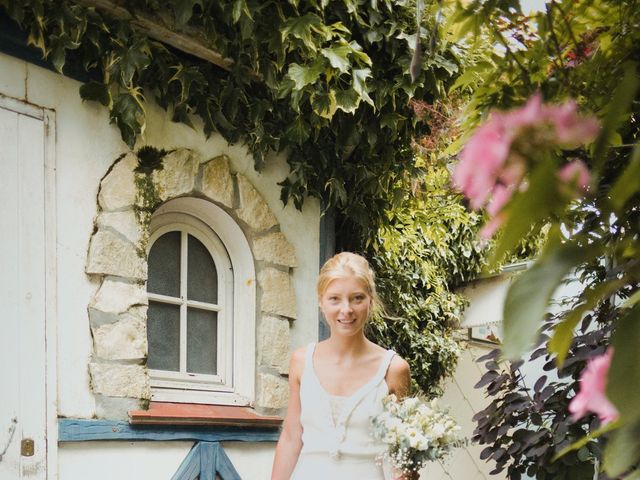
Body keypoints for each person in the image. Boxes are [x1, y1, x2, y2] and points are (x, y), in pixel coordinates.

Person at [271, 252, 413, 480]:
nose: (346, 310)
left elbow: (403, 454)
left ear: (371, 301)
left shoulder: (394, 370)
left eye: (357, 298)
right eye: (335, 298)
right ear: (321, 302)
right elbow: (291, 438)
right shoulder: (301, 362)